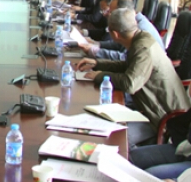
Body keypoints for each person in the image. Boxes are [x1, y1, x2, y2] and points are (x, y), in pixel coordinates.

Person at [77, 8, 190, 146]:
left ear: (115, 34)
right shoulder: (141, 38)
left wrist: (101, 76)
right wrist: (97, 63)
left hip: (163, 118)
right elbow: (128, 66)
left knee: (112, 139)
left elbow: (130, 84)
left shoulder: (142, 48)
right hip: (149, 108)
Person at [81, 0, 165, 60]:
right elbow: (119, 45)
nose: (108, 14)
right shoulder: (132, 21)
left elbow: (124, 58)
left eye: (112, 12)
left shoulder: (139, 28)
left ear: (123, 11)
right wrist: (96, 44)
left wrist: (95, 51)